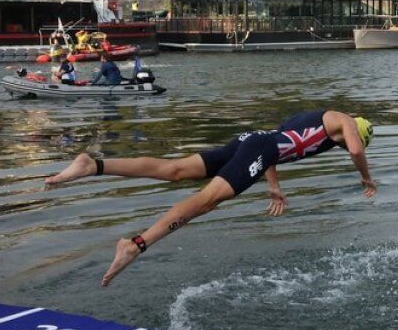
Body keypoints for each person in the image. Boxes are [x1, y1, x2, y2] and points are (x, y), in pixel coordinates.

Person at [45, 110, 377, 287]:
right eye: (345, 142)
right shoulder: (343, 120)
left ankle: (94, 165)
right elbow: (357, 149)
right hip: (258, 148)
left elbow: (271, 143)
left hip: (250, 141)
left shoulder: (310, 119)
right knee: (207, 201)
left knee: (173, 170)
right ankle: (136, 244)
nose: (343, 145)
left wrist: (273, 185)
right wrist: (365, 176)